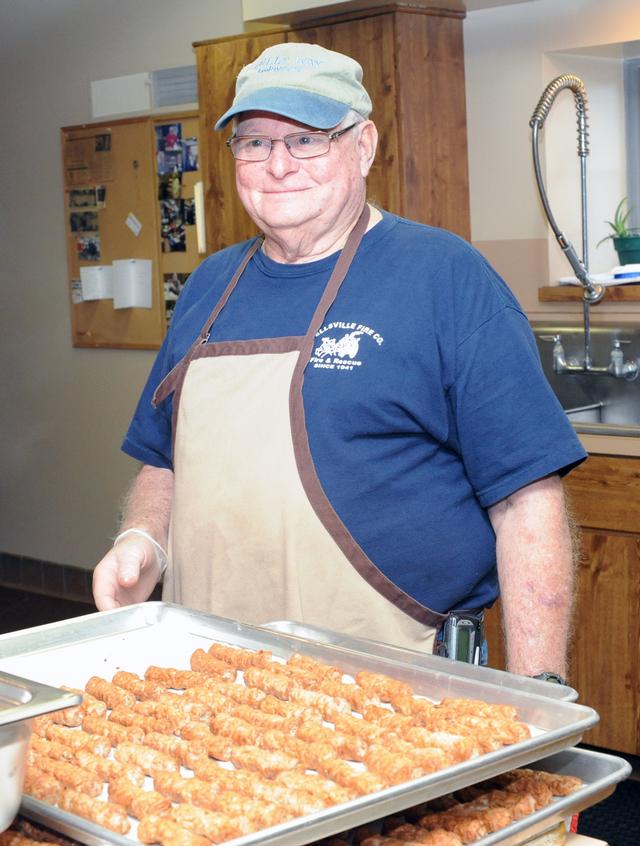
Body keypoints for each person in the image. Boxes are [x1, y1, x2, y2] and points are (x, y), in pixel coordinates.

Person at [93, 42, 586, 681]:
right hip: (211, 674)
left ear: (364, 144)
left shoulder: (445, 277)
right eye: (254, 142)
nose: (277, 165)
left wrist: (538, 694)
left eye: (307, 140)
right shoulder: (210, 287)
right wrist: (143, 542)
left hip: (398, 686)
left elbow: (527, 503)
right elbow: (163, 459)